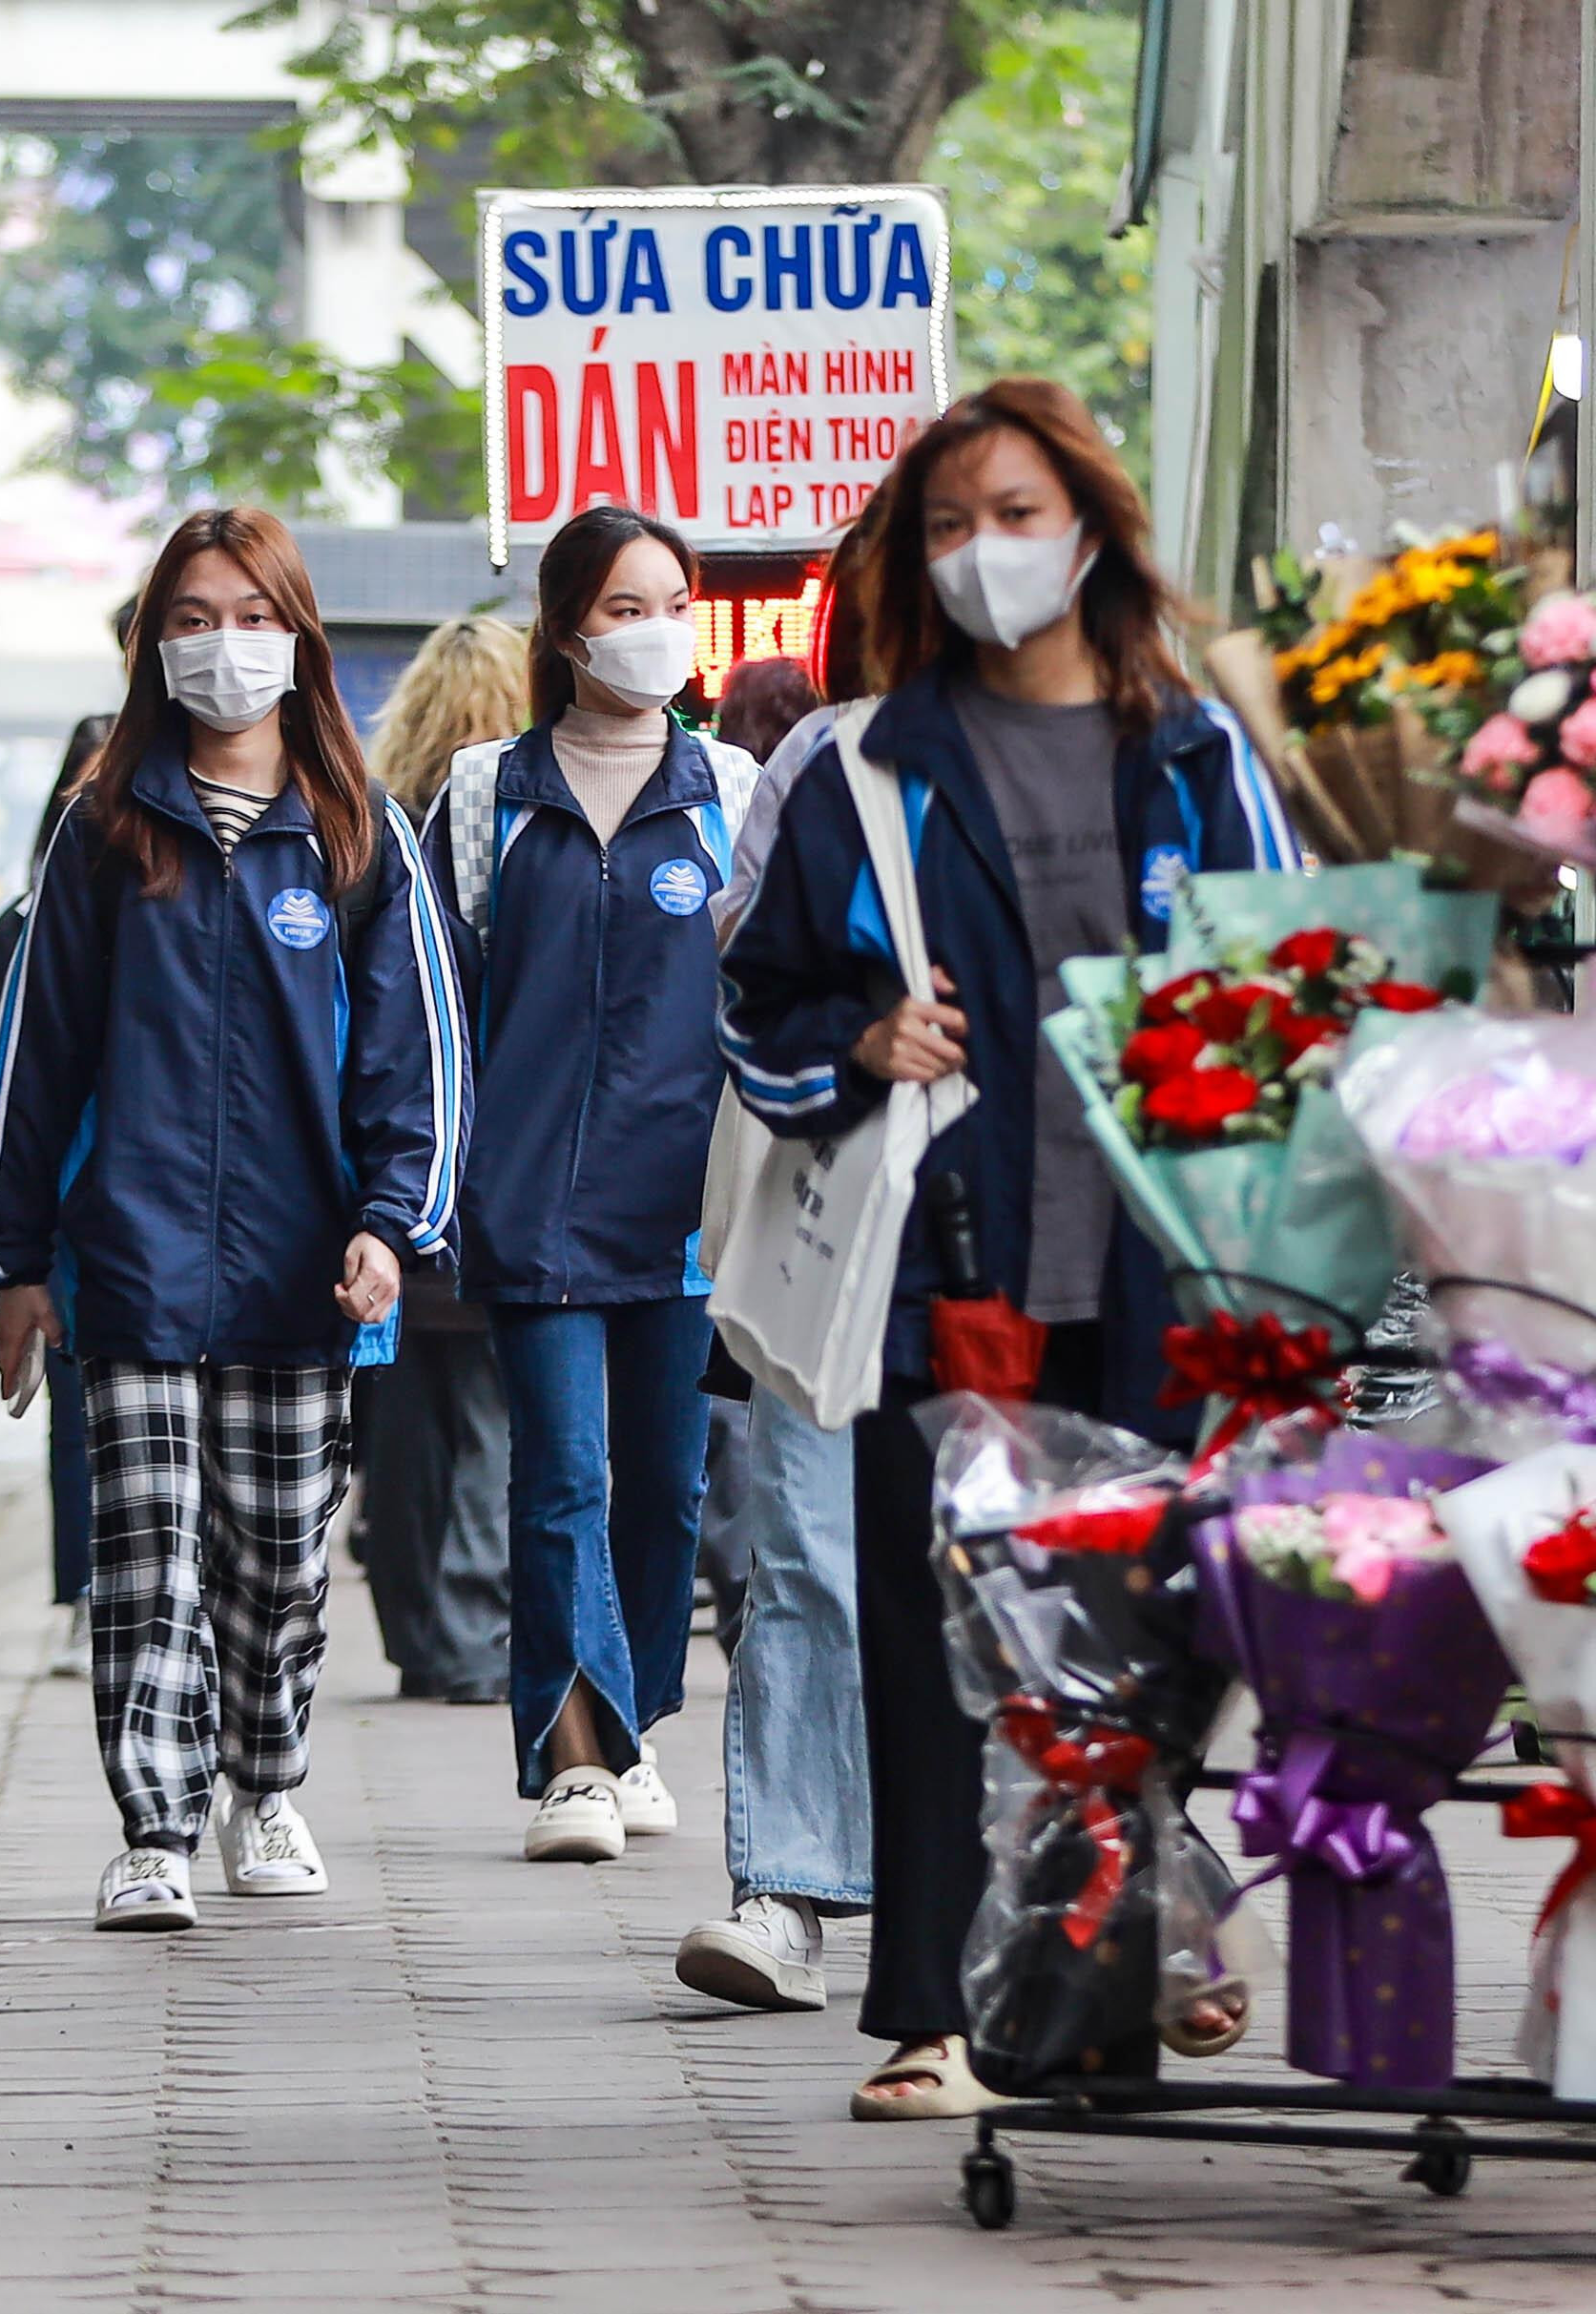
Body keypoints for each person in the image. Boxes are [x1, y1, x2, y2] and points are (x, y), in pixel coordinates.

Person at [717, 377, 1303, 2118]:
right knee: (935, 1625)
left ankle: (1109, 1953)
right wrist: (859, 1043)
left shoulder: (1197, 751)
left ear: (1090, 532)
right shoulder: (857, 768)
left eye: (1018, 514)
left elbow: (1281, 999)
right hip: (945, 1257)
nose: (986, 553)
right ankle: (932, 2011)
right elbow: (749, 1005)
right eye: (951, 523)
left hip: (1154, 1265)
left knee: (1141, 1620)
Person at [0, 505, 466, 1933]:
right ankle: (156, 1828)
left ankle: (267, 1786)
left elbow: (414, 1056)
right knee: (146, 1551)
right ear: (151, 645)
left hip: (305, 1273)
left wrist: (388, 1219)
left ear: (297, 639)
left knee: (281, 1560)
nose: (223, 646)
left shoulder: (359, 836)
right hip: (130, 1261)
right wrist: (16, 1259)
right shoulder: (104, 833)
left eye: (250, 617)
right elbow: (31, 1054)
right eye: (191, 618)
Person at [423, 505, 761, 1866]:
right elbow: (442, 1005)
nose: (656, 628)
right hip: (535, 1197)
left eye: (672, 600)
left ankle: (632, 1728)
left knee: (666, 1491)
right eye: (626, 605)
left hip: (691, 1202)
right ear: (567, 627)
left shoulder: (733, 787)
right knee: (560, 1473)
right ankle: (575, 1761)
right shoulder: (481, 790)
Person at [672, 552, 877, 2014]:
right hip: (826, 1211)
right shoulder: (819, 766)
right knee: (805, 1547)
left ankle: (1080, 1888)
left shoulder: (1139, 746)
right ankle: (788, 1886)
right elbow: (745, 991)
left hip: (1044, 1231)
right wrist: (858, 1046)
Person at [355, 615, 533, 1707]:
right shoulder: (506, 819)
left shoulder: (375, 822)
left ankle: (419, 1631)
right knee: (490, 1415)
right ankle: (469, 1634)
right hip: (492, 1164)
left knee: (405, 1418)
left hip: (394, 1172)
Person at [0, 606, 133, 1679]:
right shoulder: (25, 928)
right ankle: (84, 1589)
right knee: (76, 1413)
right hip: (72, 1211)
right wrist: (8, 1244)